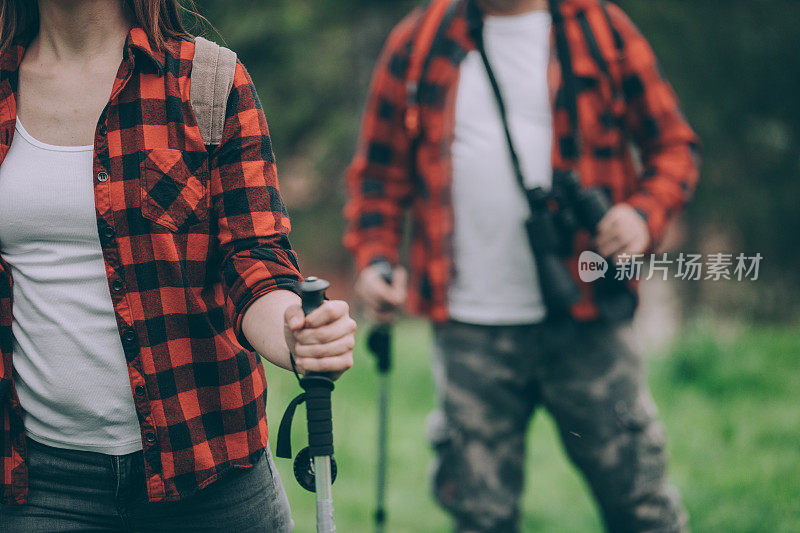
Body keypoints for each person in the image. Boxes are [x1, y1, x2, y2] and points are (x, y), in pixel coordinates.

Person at [0, 0, 356, 530]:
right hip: (44, 486)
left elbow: (255, 260)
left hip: (210, 480)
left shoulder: (207, 81)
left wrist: (294, 332)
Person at [345, 0, 700, 531]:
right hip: (469, 329)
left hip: (588, 321)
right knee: (479, 517)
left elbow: (674, 148)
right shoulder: (419, 40)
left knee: (641, 508)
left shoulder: (600, 29)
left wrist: (642, 216)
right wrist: (375, 261)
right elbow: (378, 175)